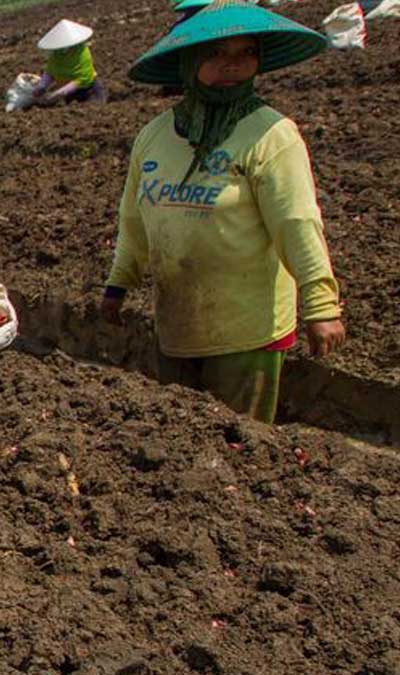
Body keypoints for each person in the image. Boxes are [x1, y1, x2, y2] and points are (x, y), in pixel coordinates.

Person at [103, 4, 344, 424]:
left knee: (238, 442)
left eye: (246, 53)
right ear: (189, 60)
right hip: (178, 324)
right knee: (181, 435)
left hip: (248, 330)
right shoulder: (155, 136)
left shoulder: (271, 134)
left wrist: (321, 305)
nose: (233, 65)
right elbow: (135, 220)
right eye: (216, 53)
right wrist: (118, 284)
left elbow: (297, 221)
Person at [31, 19, 108, 107]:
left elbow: (81, 80)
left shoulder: (81, 54)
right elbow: (50, 72)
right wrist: (42, 86)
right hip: (70, 96)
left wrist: (56, 95)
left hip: (90, 91)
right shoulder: (56, 55)